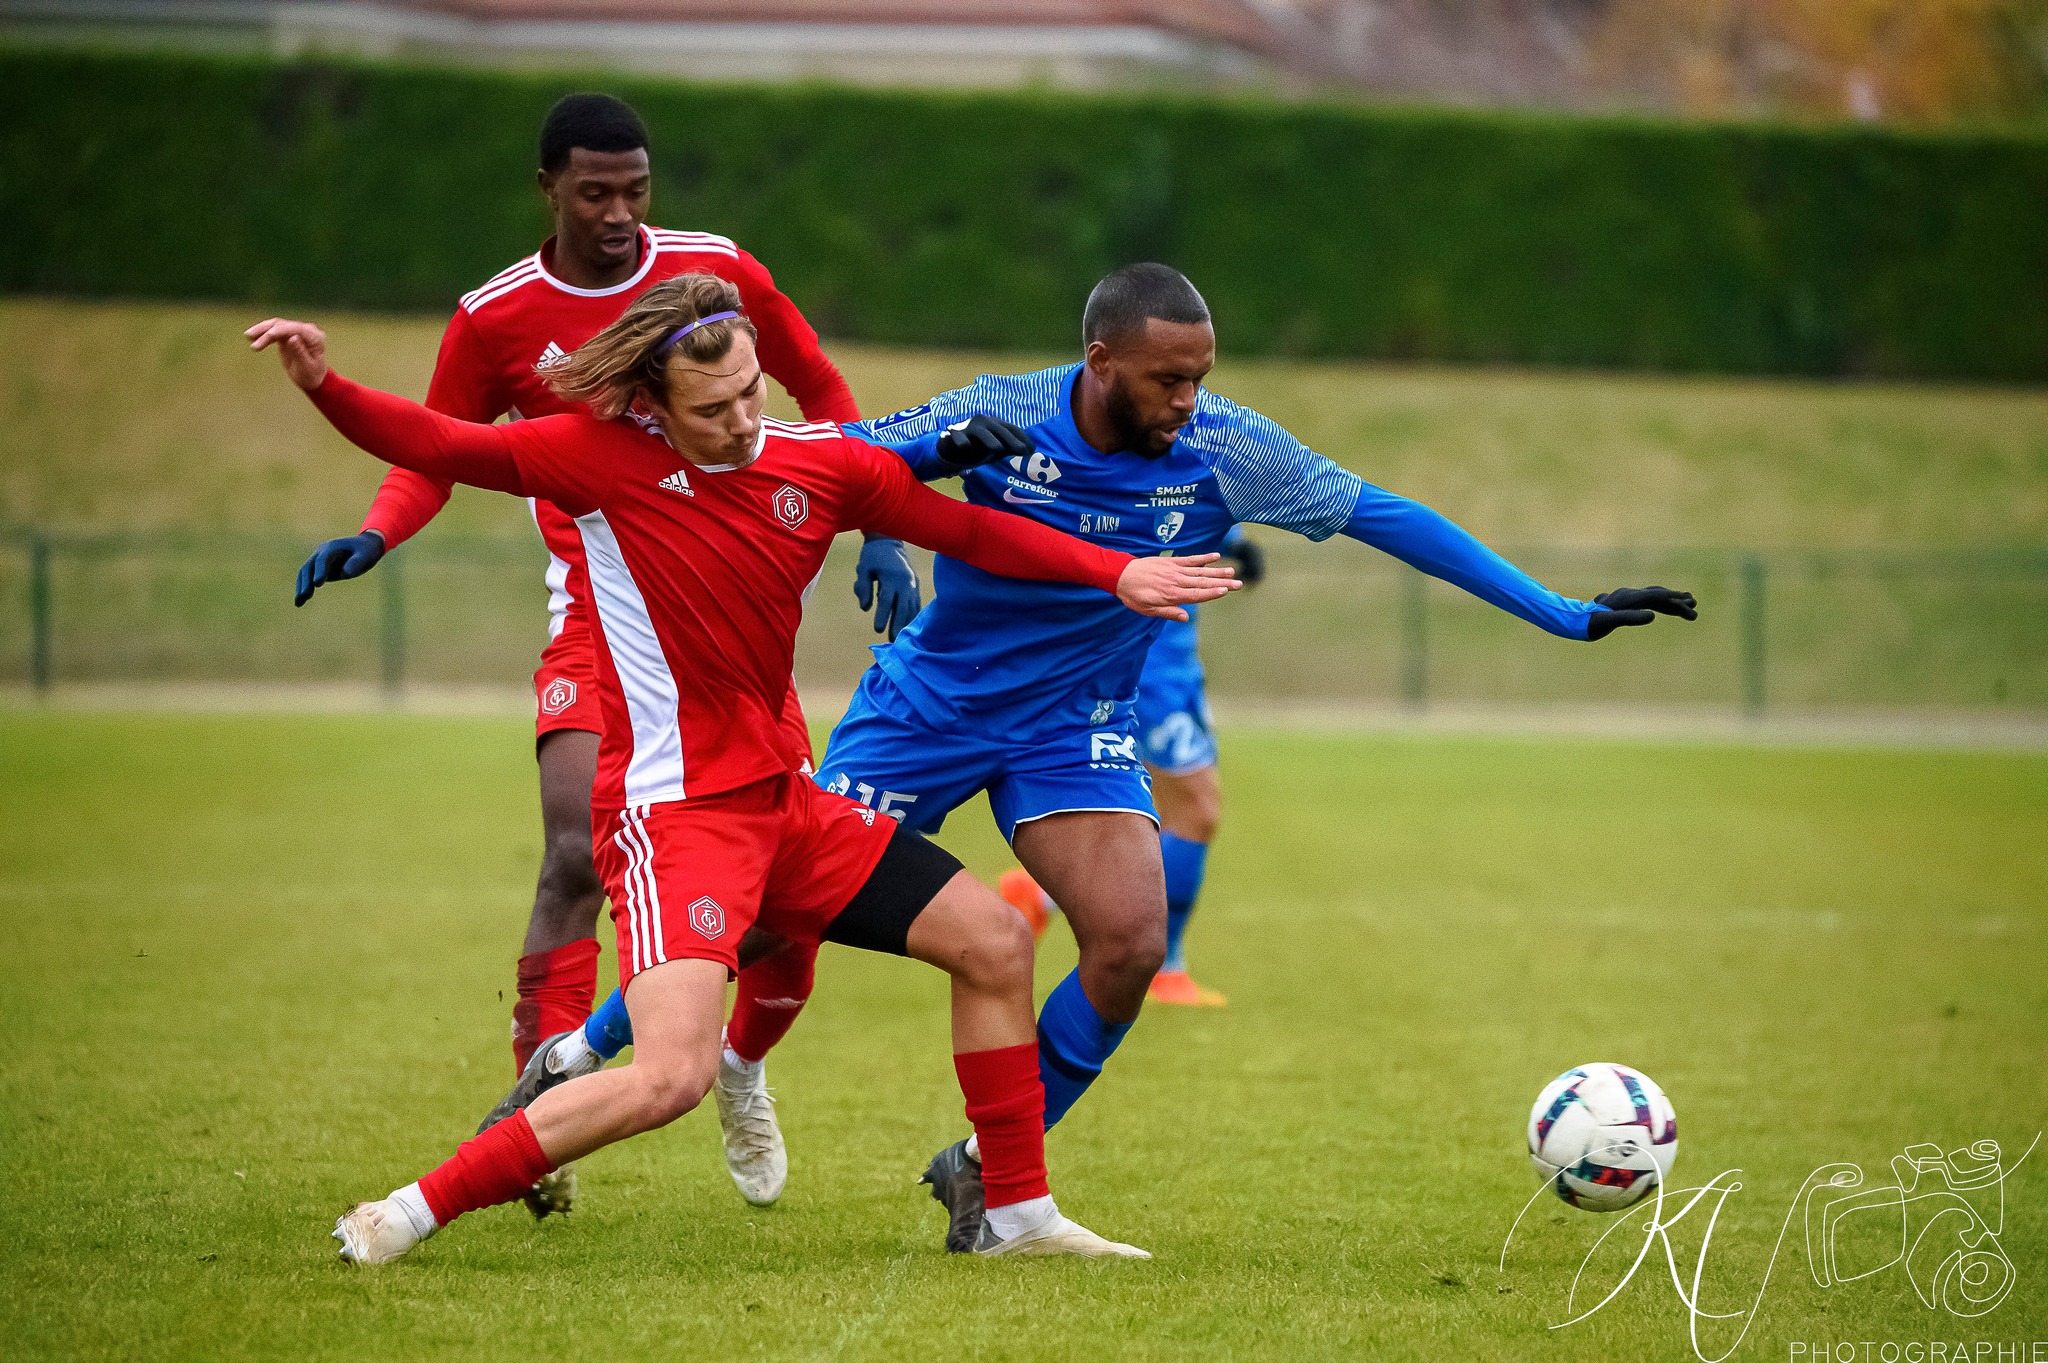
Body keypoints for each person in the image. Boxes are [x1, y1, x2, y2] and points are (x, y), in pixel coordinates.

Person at [248, 274, 1238, 1263]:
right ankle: (402, 1212)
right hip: (674, 815)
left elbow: (969, 529)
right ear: (652, 404)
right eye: (714, 409)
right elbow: (438, 445)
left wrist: (1113, 570)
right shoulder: (588, 459)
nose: (743, 423)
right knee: (668, 1080)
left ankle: (1014, 1214)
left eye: (754, 394)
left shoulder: (807, 460)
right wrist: (325, 385)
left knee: (993, 943)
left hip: (787, 804)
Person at [811, 262, 1696, 1251]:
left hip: (1074, 722)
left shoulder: (1227, 449)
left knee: (1128, 940)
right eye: (1165, 381)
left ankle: (994, 1184)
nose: (1187, 402)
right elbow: (835, 455)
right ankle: (605, 1052)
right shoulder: (1006, 407)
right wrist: (885, 517)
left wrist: (1563, 615)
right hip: (933, 704)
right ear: (1099, 361)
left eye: (1198, 376)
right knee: (770, 902)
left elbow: (1389, 517)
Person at [287, 93, 914, 1212]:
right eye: (595, 192)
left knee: (775, 891)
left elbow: (820, 393)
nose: (620, 212)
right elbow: (440, 449)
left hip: (721, 624)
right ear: (549, 191)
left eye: (635, 188)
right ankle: (539, 1118)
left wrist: (873, 520)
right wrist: (378, 531)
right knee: (575, 849)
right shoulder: (497, 317)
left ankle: (732, 1065)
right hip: (595, 609)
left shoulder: (717, 273)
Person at [998, 522, 1266, 1007]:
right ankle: (1165, 968)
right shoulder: (1128, 459)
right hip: (1148, 662)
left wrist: (1233, 538)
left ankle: (1037, 897)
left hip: (1167, 659)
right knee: (1194, 812)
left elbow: (1187, 499)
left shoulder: (1182, 459)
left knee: (1165, 811)